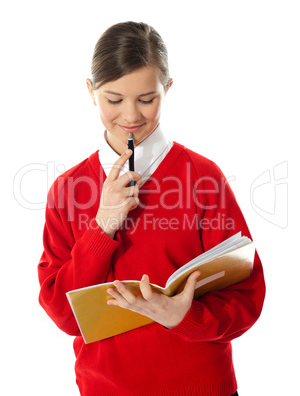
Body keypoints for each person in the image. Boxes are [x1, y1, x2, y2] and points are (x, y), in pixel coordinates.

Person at [38, 21, 265, 396]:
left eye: (147, 99)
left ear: (168, 89)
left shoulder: (203, 177)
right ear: (91, 91)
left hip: (201, 387)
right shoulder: (67, 190)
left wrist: (185, 318)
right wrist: (103, 226)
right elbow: (65, 315)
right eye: (114, 100)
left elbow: (248, 295)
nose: (130, 116)